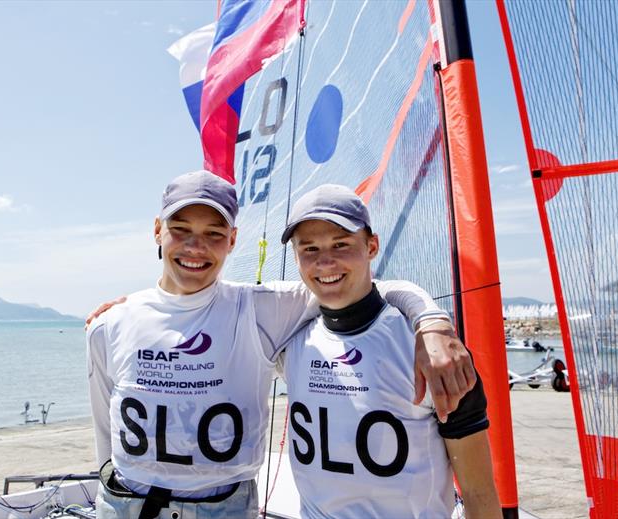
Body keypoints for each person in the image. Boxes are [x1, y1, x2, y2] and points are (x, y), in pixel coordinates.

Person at [86, 170, 475, 519]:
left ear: (233, 240)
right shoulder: (111, 323)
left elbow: (360, 287)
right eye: (181, 229)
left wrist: (431, 320)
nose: (195, 247)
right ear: (157, 230)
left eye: (214, 234)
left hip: (225, 508)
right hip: (125, 505)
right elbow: (105, 431)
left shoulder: (260, 308)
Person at [278, 184, 501, 518]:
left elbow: (478, 492)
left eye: (341, 244)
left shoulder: (432, 354)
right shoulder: (290, 339)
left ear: (372, 246)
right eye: (309, 249)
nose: (325, 262)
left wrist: (430, 319)